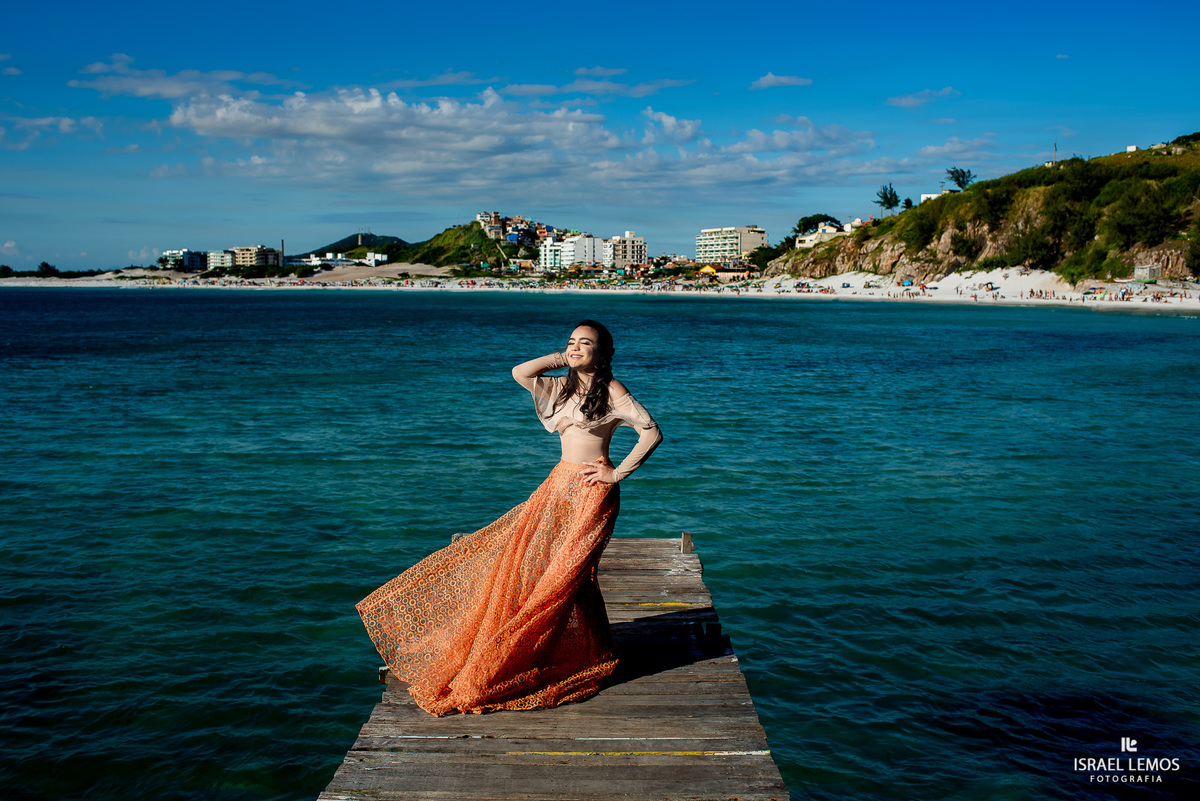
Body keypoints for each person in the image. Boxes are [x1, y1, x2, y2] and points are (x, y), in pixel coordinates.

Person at [356, 320, 662, 716]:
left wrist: (615, 473)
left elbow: (650, 432)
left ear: (603, 354)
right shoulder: (560, 387)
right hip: (556, 487)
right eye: (571, 342)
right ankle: (588, 650)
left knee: (566, 576)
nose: (575, 348)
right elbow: (520, 372)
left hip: (592, 493)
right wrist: (560, 357)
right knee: (542, 571)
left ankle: (546, 654)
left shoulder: (612, 390)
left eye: (585, 344)